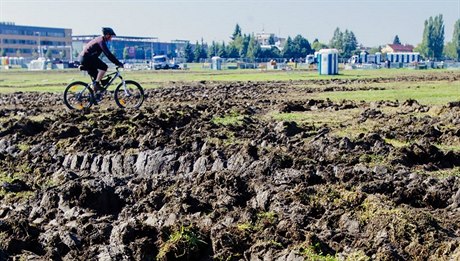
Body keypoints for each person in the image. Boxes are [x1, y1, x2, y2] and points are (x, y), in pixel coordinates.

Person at [79, 27, 123, 93]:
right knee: (104, 67)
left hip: (85, 58)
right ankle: (96, 84)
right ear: (107, 35)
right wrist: (117, 63)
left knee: (97, 77)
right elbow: (108, 54)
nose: (111, 38)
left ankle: (93, 97)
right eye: (111, 36)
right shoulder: (101, 41)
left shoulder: (100, 40)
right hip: (87, 58)